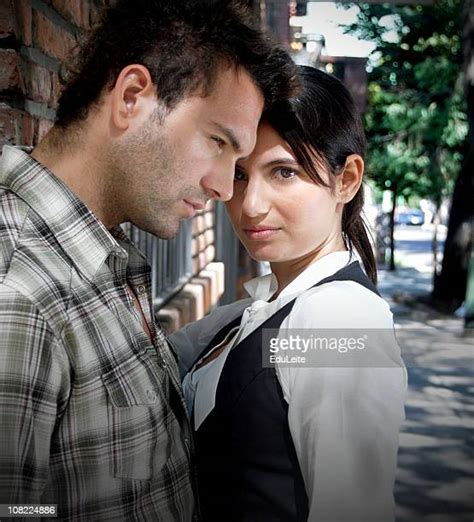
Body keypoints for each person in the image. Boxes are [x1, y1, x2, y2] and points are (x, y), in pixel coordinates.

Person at [0, 0, 297, 519]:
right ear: (133, 97)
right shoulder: (19, 291)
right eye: (217, 141)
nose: (225, 187)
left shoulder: (100, 255)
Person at [172, 66, 407, 521]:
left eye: (284, 172)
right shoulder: (258, 311)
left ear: (347, 180)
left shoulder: (338, 318)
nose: (252, 204)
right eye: (239, 176)